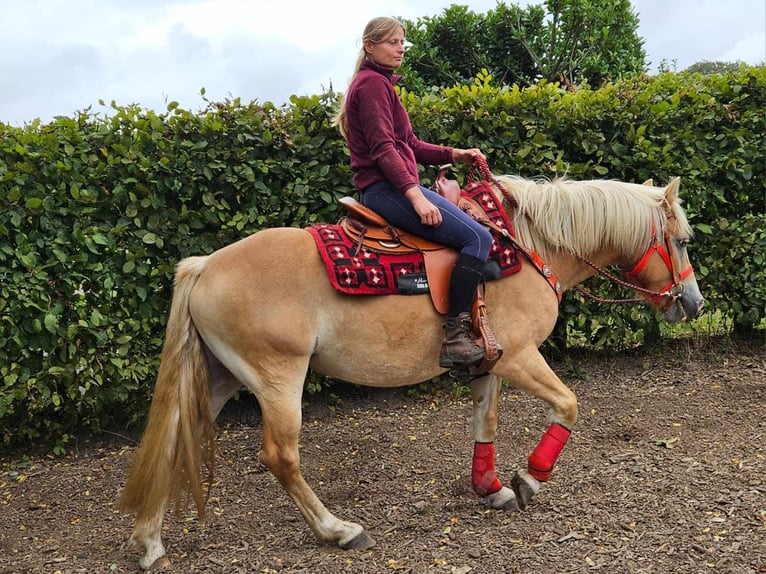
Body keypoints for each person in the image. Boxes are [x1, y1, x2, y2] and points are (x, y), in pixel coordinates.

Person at [333, 16, 494, 370]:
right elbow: (383, 150)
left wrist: (456, 154)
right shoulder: (372, 85)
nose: (400, 48)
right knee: (478, 239)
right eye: (392, 42)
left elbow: (410, 144)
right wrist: (415, 195)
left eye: (402, 41)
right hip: (386, 190)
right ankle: (455, 335)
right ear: (369, 46)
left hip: (392, 186)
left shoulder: (380, 84)